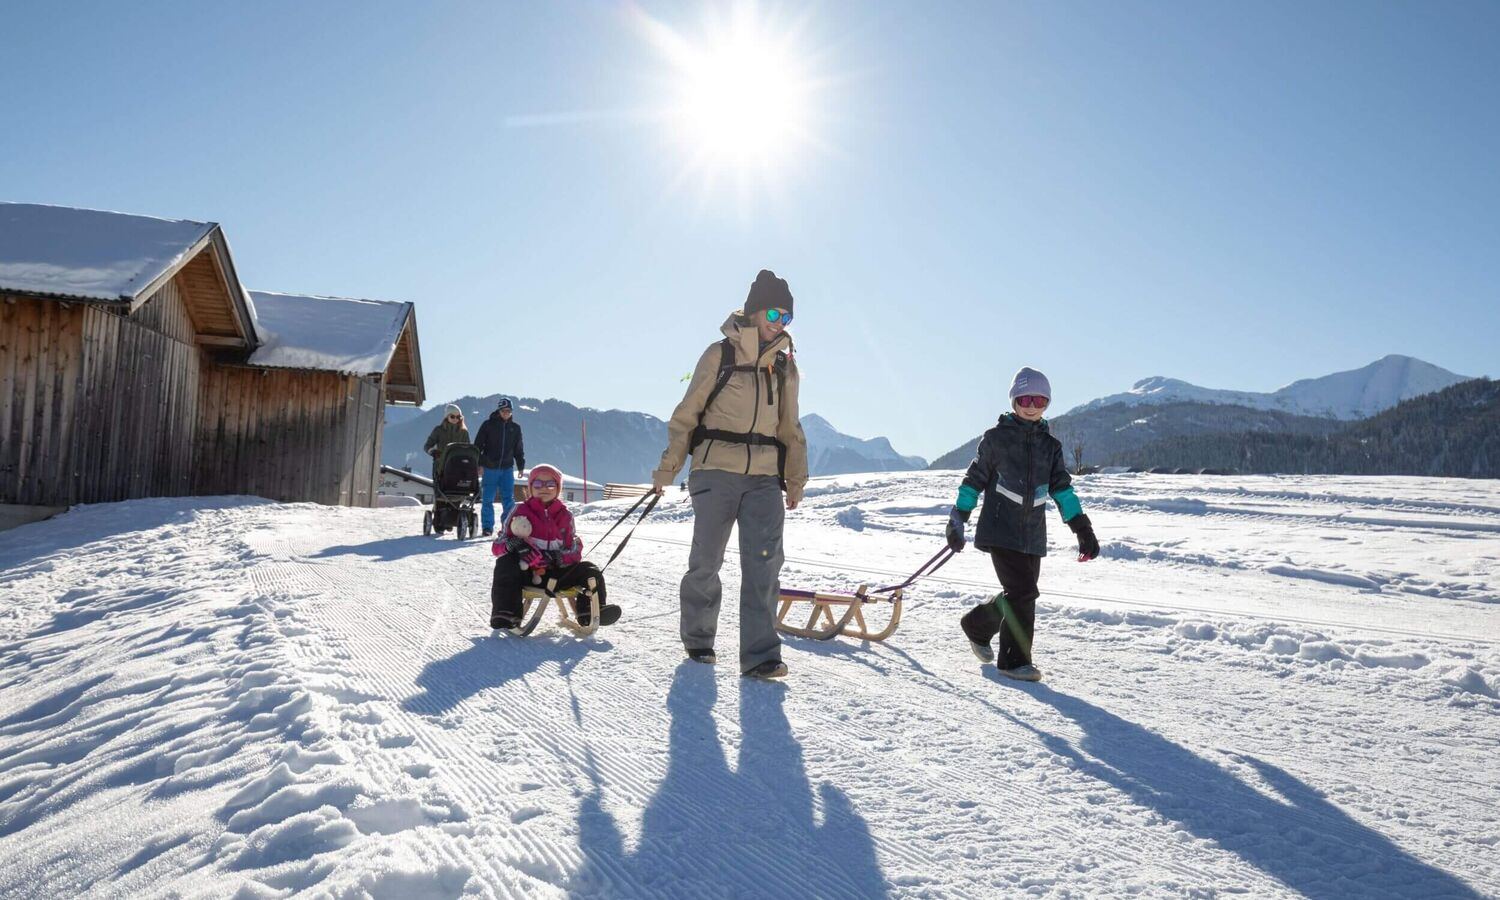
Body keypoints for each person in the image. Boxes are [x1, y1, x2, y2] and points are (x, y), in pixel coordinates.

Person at [651, 269, 809, 680]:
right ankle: (700, 639)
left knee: (764, 565)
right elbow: (687, 415)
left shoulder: (786, 366)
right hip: (715, 470)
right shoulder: (718, 354)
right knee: (706, 561)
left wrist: (795, 479)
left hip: (763, 479)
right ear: (755, 311)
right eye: (774, 312)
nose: (779, 322)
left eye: (787, 317)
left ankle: (760, 656)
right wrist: (668, 468)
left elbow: (790, 427)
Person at [944, 366, 1101, 682]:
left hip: (1032, 533)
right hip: (1000, 529)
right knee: (1023, 591)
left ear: (1047, 404)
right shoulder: (996, 439)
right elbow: (973, 480)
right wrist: (958, 517)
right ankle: (1014, 661)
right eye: (1025, 398)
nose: (1031, 406)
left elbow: (1062, 491)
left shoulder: (1050, 446)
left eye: (1039, 400)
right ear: (1014, 400)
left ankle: (977, 625)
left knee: (1018, 593)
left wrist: (1083, 529)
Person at [490, 464, 619, 629]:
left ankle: (590, 612)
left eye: (550, 484)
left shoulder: (565, 516)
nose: (544, 488)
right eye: (537, 484)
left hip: (557, 574)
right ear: (530, 488)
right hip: (527, 574)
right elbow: (497, 546)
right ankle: (506, 613)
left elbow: (574, 549)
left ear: (558, 488)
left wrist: (557, 557)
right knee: (505, 563)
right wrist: (514, 544)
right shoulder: (519, 511)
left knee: (590, 570)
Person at [474, 397, 526, 536]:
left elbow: (518, 449)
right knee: (488, 499)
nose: (506, 413)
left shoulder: (515, 428)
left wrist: (520, 466)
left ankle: (507, 527)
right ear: (498, 410)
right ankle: (487, 528)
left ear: (511, 411)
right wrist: (480, 463)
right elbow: (478, 446)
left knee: (508, 499)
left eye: (508, 411)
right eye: (503, 411)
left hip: (507, 469)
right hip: (490, 468)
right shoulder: (488, 425)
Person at [423, 404, 470, 510]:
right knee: (441, 491)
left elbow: (468, 448)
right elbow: (427, 446)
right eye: (452, 416)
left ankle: (454, 516)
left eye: (458, 417)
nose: (455, 419)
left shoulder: (464, 432)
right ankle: (439, 515)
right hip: (441, 465)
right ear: (446, 417)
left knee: (457, 491)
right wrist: (433, 452)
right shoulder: (439, 430)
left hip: (458, 466)